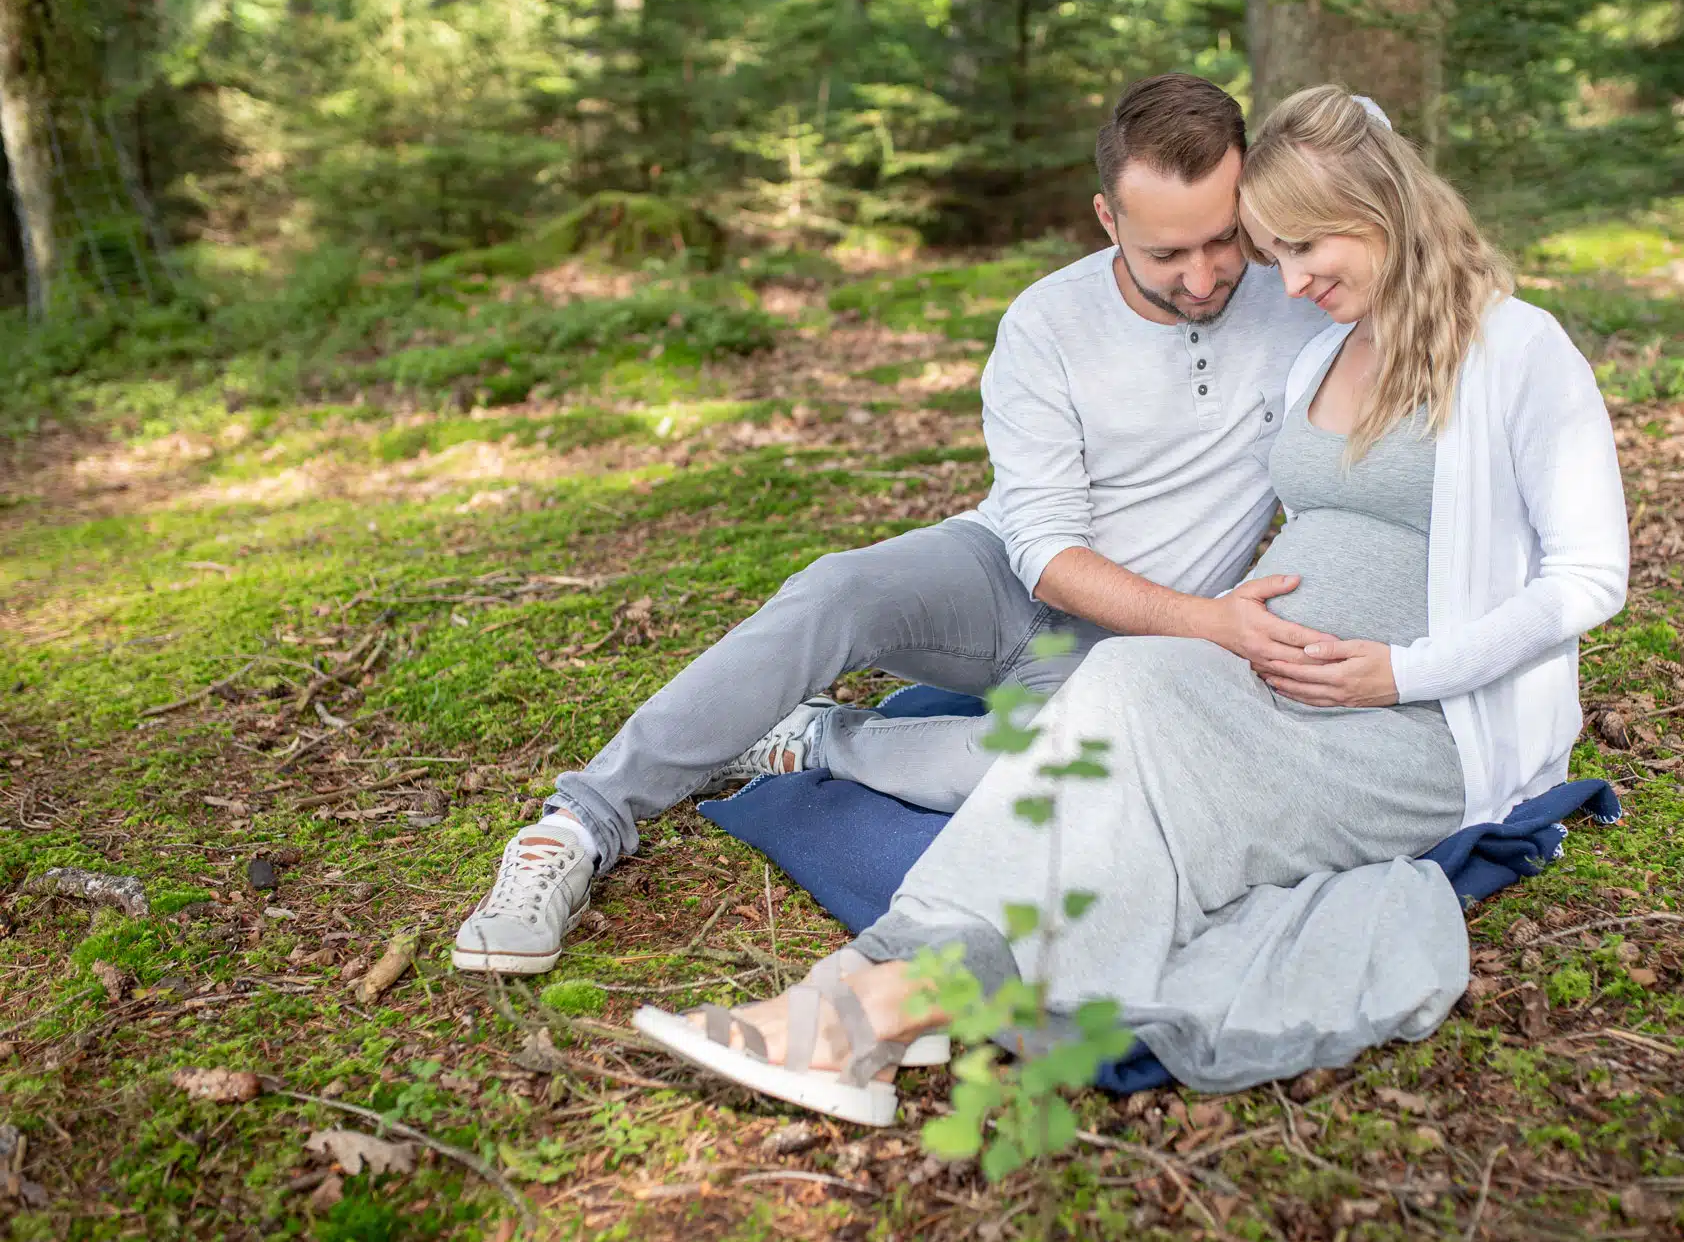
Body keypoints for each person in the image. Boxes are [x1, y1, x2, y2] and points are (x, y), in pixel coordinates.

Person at [632, 85, 1631, 1125]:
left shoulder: (1518, 350)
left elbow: (1587, 577)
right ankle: (871, 995)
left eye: (1299, 249)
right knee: (1120, 686)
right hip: (1260, 681)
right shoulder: (1322, 345)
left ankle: (865, 1010)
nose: (1285, 280)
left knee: (1123, 795)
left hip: (1411, 726)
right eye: (1272, 252)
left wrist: (1398, 669)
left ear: (1378, 204)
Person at [451, 73, 1331, 974]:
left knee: (1047, 776)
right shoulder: (1045, 324)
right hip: (1005, 578)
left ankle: (818, 738)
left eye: (1223, 239)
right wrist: (1210, 621)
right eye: (1165, 252)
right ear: (1108, 219)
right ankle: (576, 826)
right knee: (838, 589)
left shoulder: (1303, 297)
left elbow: (1370, 154)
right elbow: (1043, 550)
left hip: (1127, 657)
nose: (1202, 276)